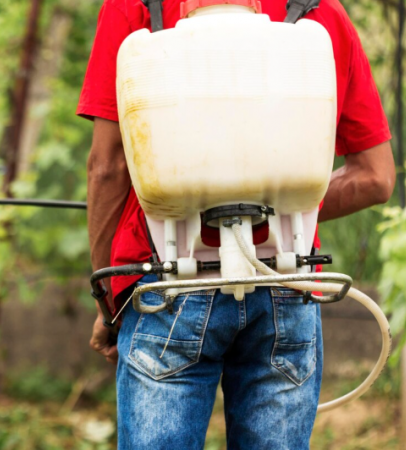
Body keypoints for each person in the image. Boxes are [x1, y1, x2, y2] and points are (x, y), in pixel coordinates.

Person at [78, 0, 396, 448]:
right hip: (288, 282)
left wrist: (107, 300)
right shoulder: (320, 11)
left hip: (167, 284)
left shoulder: (136, 6)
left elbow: (107, 168)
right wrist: (272, 207)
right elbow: (376, 178)